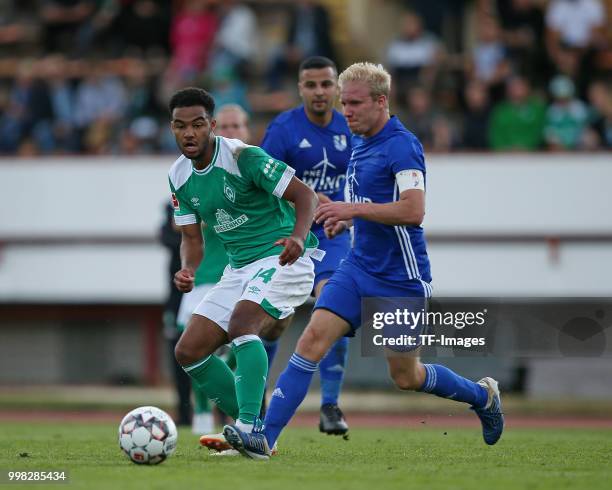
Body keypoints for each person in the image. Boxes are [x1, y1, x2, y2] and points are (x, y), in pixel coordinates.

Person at [221, 62, 504, 460]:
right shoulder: (360, 140)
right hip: (357, 268)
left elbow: (413, 211)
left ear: (381, 101)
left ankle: (483, 396)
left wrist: (352, 210)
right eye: (344, 102)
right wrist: (338, 219)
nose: (346, 111)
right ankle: (264, 439)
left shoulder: (402, 145)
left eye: (354, 103)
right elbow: (364, 205)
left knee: (406, 376)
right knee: (309, 340)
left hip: (400, 279)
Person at [168, 87, 320, 449]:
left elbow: (306, 196)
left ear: (212, 126)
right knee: (188, 350)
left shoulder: (242, 156)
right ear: (171, 128)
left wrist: (298, 237)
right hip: (239, 270)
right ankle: (256, 432)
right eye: (179, 125)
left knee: (241, 325)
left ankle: (250, 429)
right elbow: (191, 237)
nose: (188, 133)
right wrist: (188, 268)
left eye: (197, 124)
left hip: (284, 256)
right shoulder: (178, 175)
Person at [260, 56, 352, 435]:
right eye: (311, 85)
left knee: (334, 307)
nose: (319, 92)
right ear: (300, 88)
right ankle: (256, 401)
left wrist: (349, 214)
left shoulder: (352, 125)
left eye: (326, 84)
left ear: (336, 88)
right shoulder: (282, 130)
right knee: (274, 324)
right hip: (291, 236)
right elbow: (263, 184)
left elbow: (365, 177)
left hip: (334, 237)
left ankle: (330, 405)